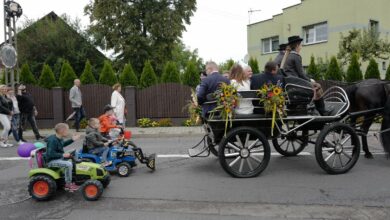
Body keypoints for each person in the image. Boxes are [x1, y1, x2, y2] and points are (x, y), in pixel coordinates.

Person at [283, 35, 329, 115]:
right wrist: (310, 80)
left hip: (292, 83)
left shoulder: (290, 56)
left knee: (314, 85)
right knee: (317, 86)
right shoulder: (296, 56)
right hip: (296, 83)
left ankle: (317, 108)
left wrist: (309, 79)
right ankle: (321, 110)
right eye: (300, 45)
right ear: (297, 45)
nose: (301, 47)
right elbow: (301, 74)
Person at [44, 123, 80, 191]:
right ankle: (68, 184)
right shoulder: (52, 140)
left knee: (75, 151)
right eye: (67, 130)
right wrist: (62, 155)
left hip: (58, 157)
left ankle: (75, 172)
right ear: (62, 131)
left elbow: (63, 144)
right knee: (68, 164)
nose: (68, 132)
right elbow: (50, 154)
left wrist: (72, 140)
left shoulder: (59, 138)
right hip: (51, 161)